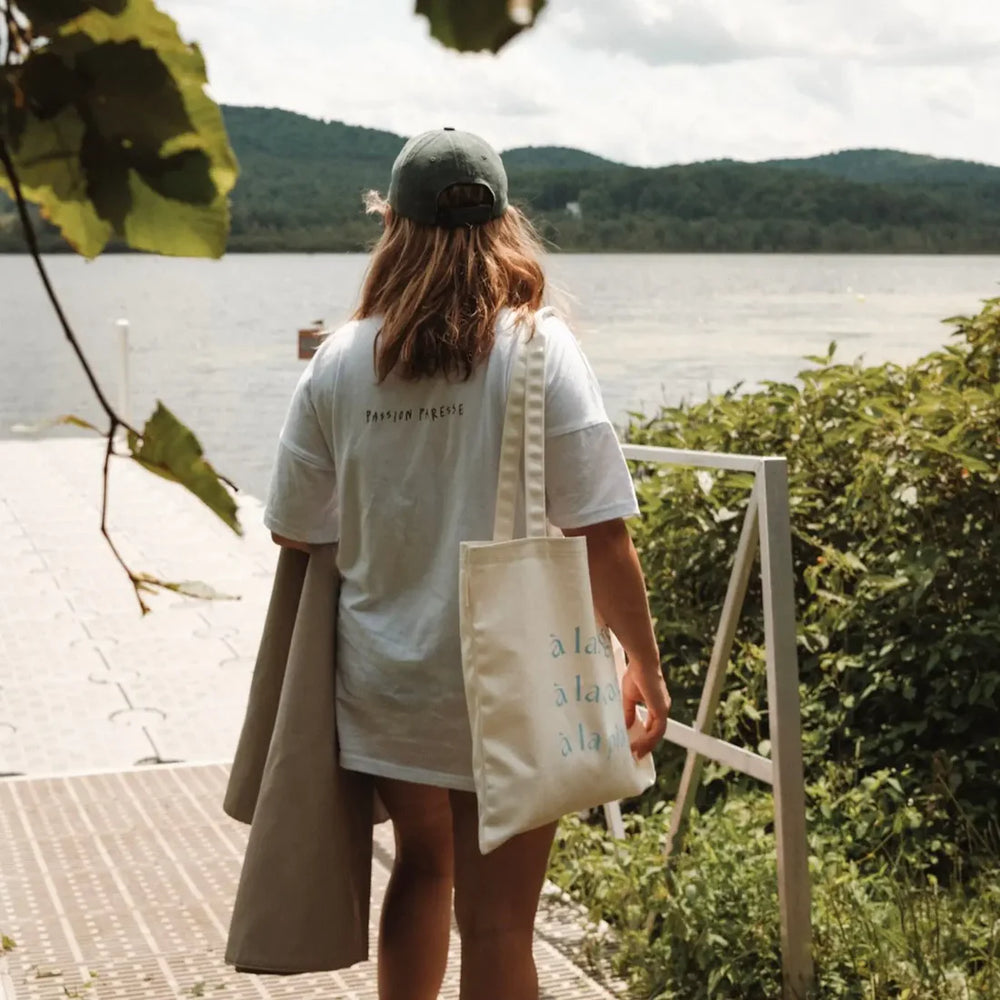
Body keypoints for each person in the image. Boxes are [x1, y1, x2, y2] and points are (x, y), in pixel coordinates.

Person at [263, 127, 670, 1000]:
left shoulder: (339, 361)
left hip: (387, 678)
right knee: (498, 925)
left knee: (419, 868)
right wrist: (645, 662)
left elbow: (293, 530)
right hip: (513, 680)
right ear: (504, 224)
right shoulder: (540, 348)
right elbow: (602, 529)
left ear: (393, 227)